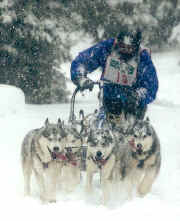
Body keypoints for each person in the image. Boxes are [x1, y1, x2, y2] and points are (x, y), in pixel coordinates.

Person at [70, 26, 158, 126]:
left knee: (128, 132)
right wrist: (80, 78)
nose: (125, 50)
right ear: (117, 41)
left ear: (136, 47)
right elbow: (82, 61)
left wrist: (137, 96)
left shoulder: (142, 58)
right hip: (109, 100)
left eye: (129, 48)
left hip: (133, 106)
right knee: (101, 128)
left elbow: (150, 86)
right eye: (122, 46)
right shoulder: (107, 48)